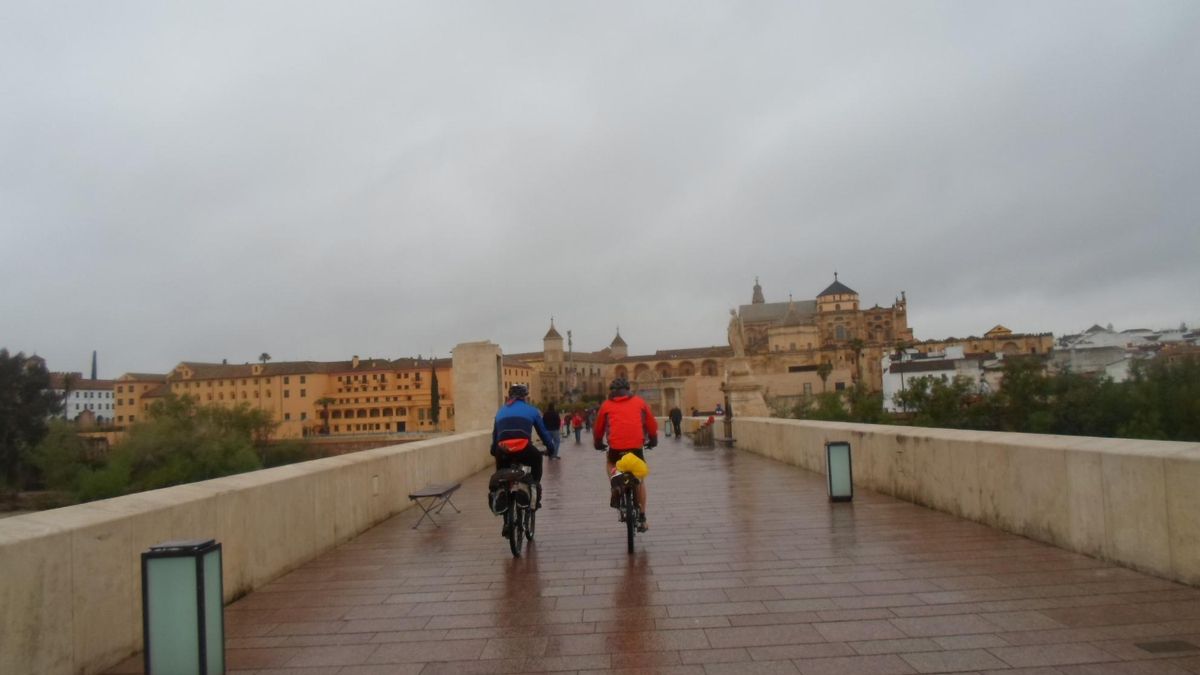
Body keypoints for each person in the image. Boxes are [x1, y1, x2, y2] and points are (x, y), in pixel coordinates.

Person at [594, 377, 658, 532]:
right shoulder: (640, 402)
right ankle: (642, 517)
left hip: (616, 448)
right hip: (636, 447)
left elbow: (598, 428)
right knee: (640, 480)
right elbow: (651, 423)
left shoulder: (606, 405)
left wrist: (598, 442)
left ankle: (615, 483)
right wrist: (653, 439)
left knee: (610, 462)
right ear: (628, 390)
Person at [491, 384, 557, 509]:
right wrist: (551, 448)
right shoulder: (532, 410)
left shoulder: (500, 411)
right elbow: (543, 432)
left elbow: (495, 436)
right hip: (523, 448)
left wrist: (494, 451)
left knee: (500, 472)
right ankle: (534, 489)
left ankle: (500, 491)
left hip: (503, 449)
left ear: (510, 396)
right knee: (537, 458)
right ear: (524, 397)